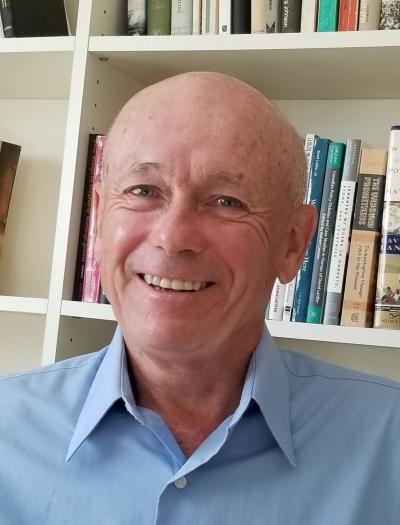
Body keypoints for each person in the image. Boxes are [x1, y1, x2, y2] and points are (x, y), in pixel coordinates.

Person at [1, 72, 400, 524]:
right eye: (143, 191)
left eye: (226, 201)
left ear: (292, 244)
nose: (173, 238)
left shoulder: (389, 444)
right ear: (99, 221)